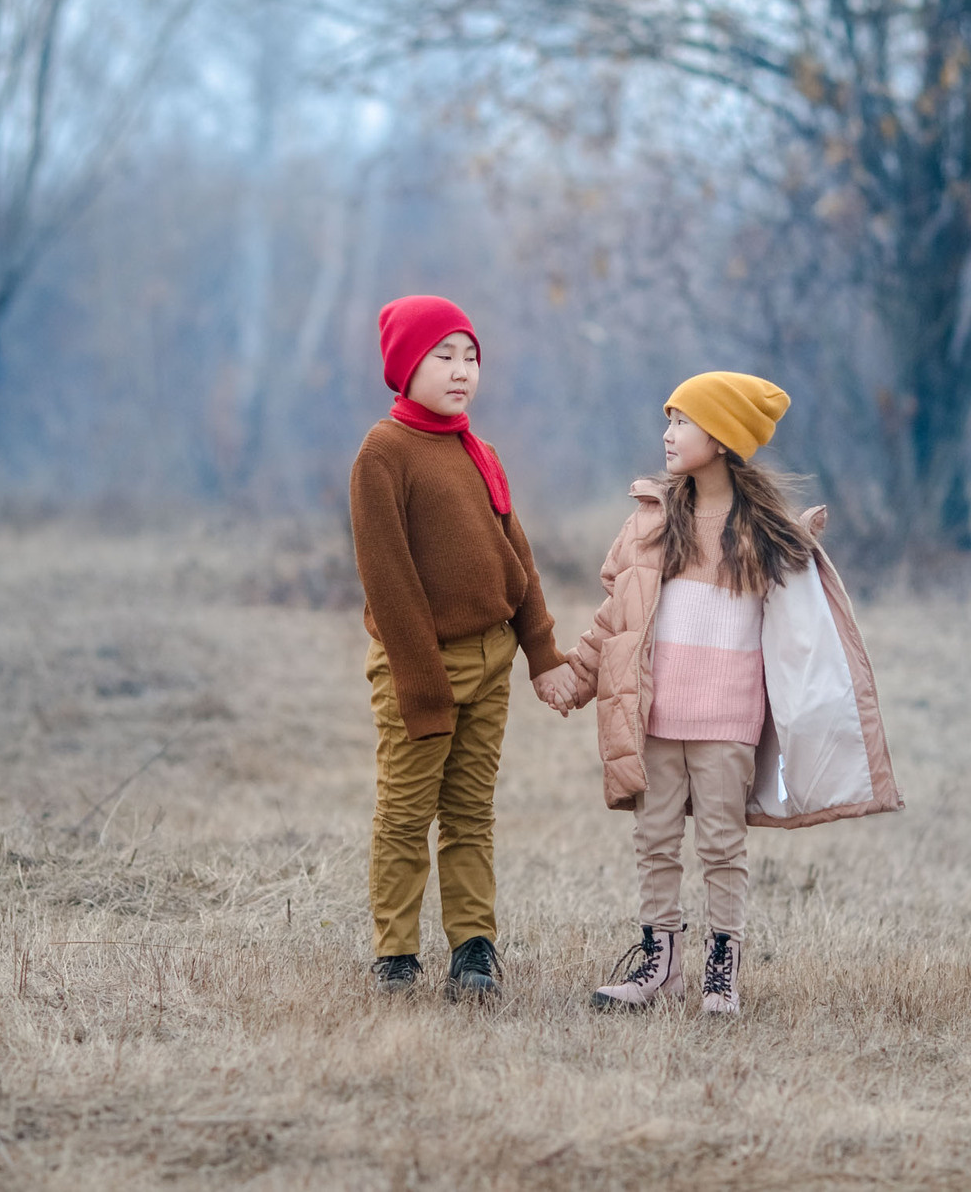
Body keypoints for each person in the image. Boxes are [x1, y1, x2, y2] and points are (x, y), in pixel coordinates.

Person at [562, 371, 902, 1016]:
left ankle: (723, 971)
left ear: (720, 438)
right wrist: (577, 677)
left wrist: (800, 536)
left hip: (727, 719)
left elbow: (795, 596)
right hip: (654, 713)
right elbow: (618, 617)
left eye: (681, 422)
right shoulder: (651, 521)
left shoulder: (762, 531)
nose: (667, 434)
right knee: (655, 840)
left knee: (721, 842)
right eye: (668, 420)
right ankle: (659, 966)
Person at [348, 294, 581, 998]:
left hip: (491, 662)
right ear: (405, 366)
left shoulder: (480, 451)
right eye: (442, 355)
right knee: (405, 811)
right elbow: (388, 581)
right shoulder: (382, 454)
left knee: (472, 810)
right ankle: (395, 955)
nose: (461, 371)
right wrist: (423, 684)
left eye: (470, 356)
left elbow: (518, 558)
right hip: (422, 666)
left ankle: (473, 949)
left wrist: (541, 653)